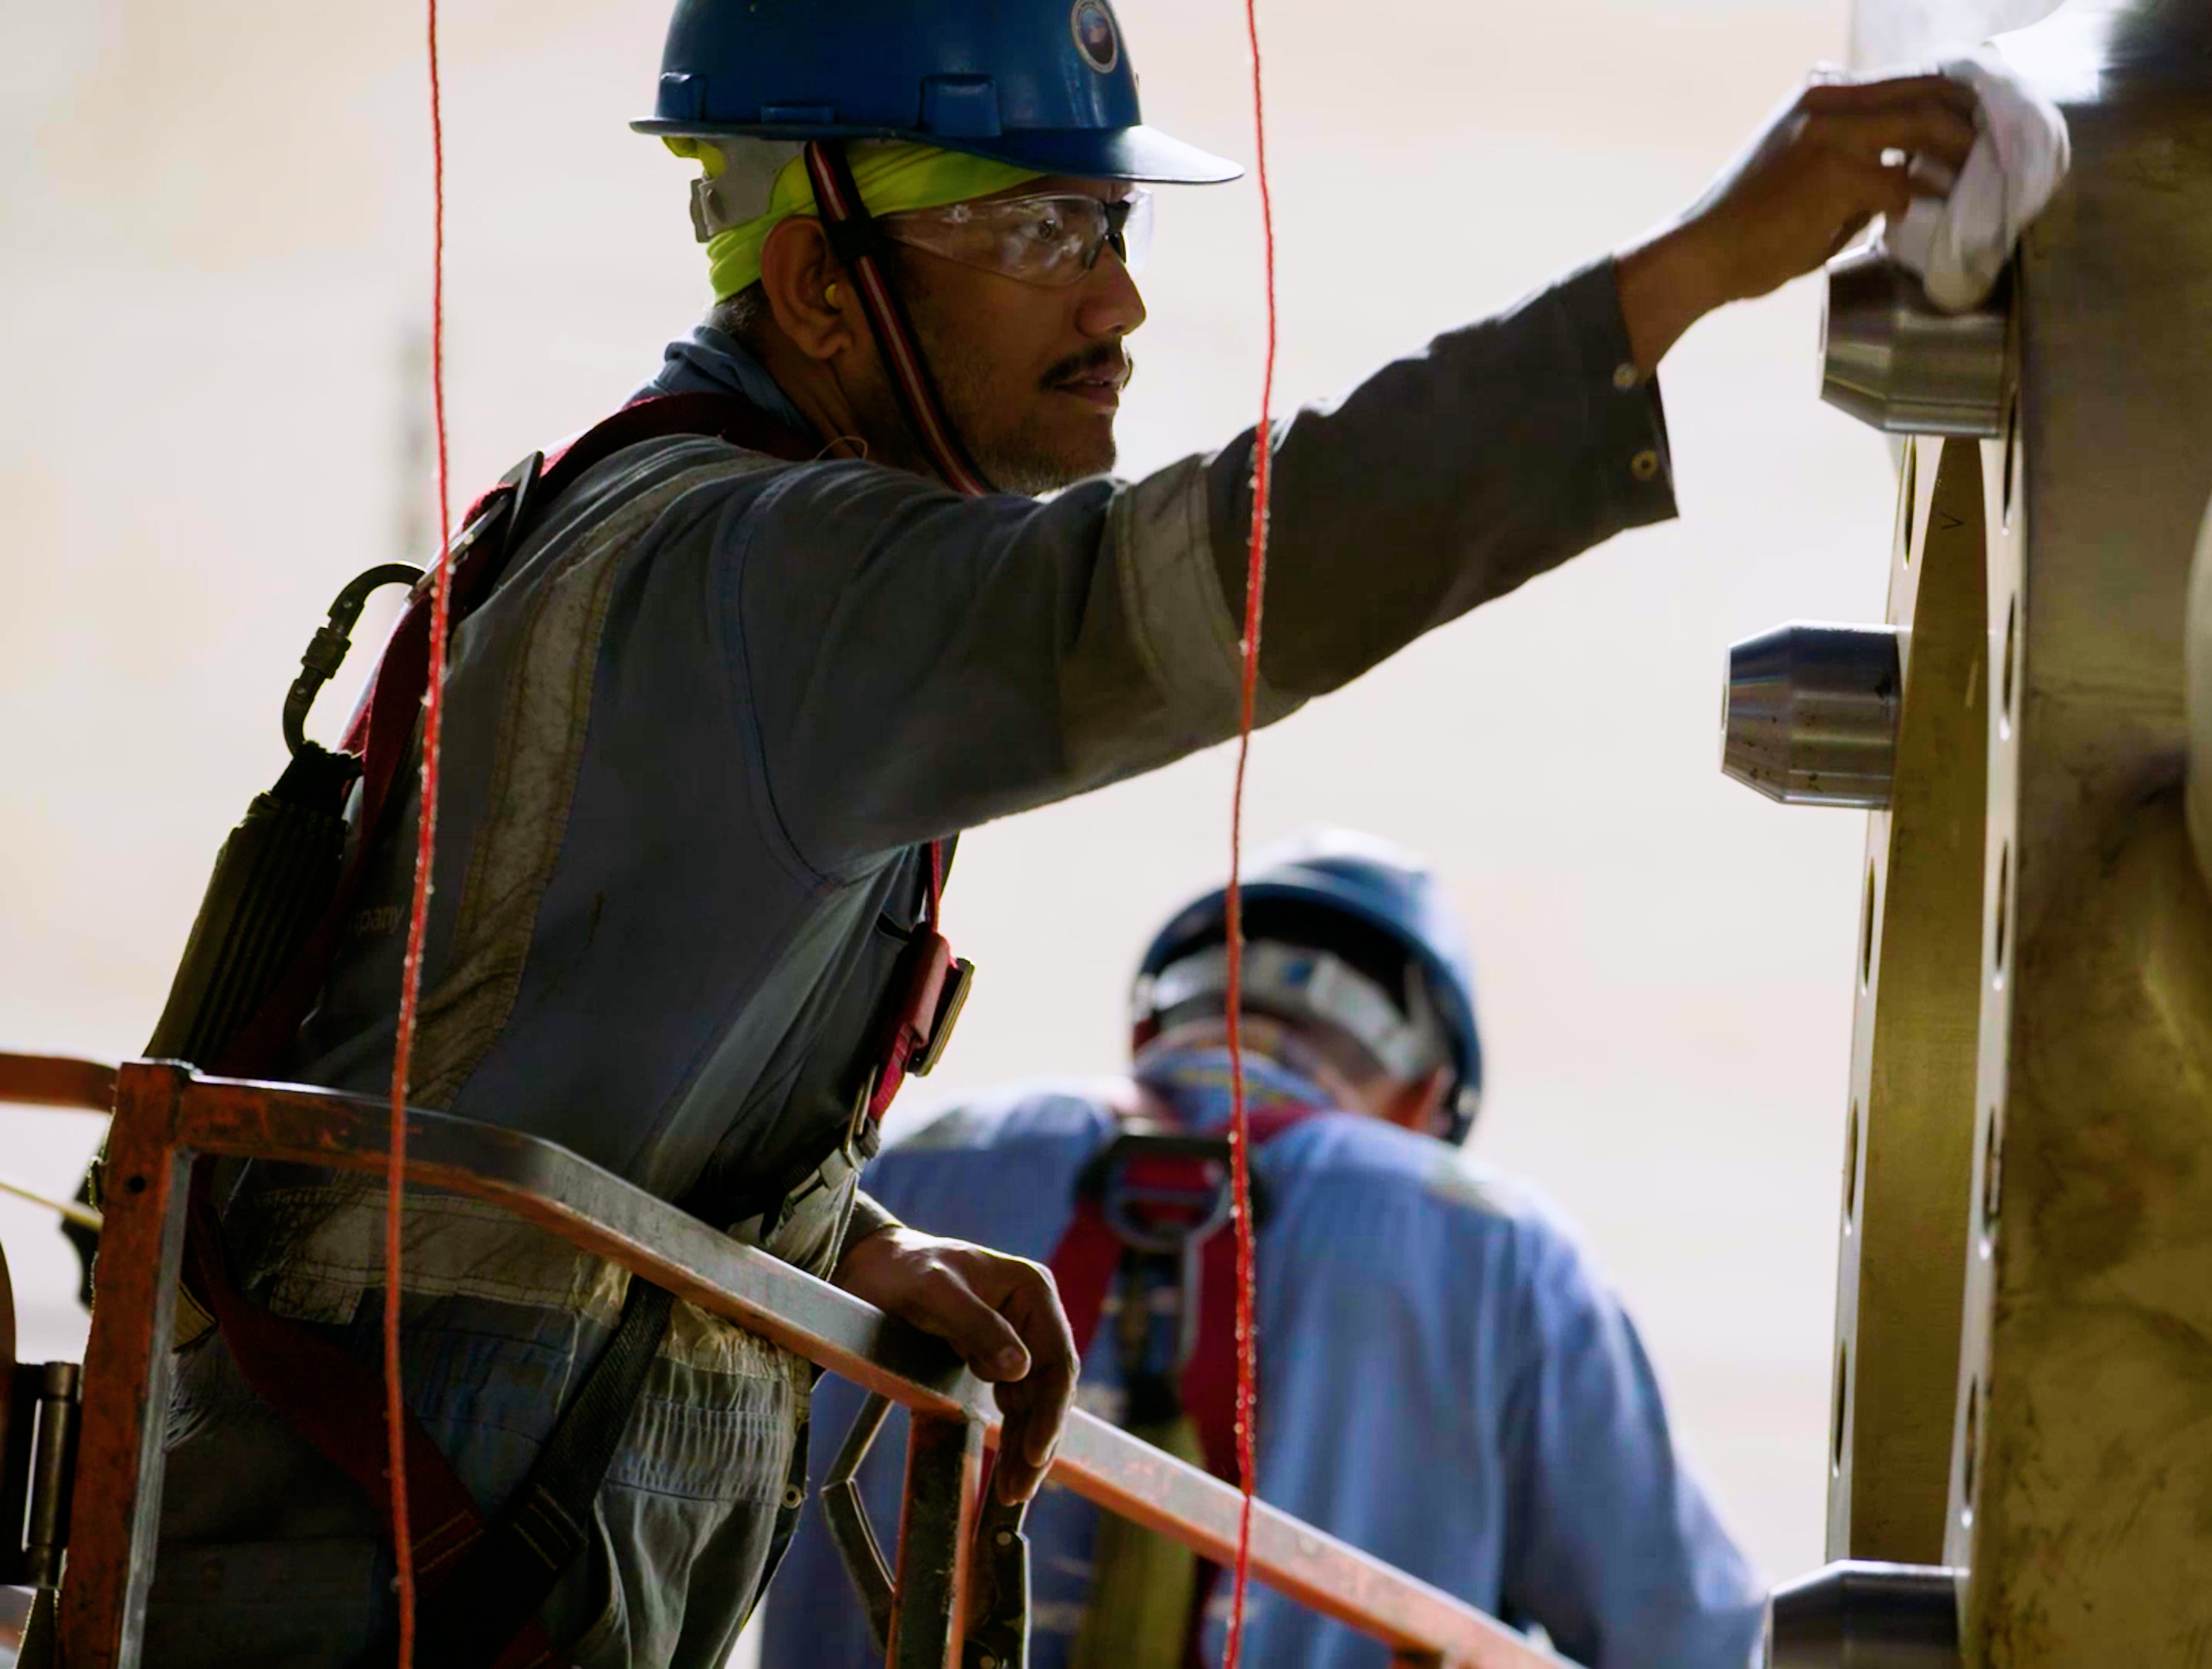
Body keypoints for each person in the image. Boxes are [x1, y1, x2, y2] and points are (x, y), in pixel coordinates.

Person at [136, 0, 1992, 1657]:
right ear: (816, 285)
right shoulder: (772, 569)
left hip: (404, 1546)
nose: (1117, 300)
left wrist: (834, 1242)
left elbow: (551, 1036)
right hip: (389, 1574)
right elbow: (1199, 586)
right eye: (1039, 229)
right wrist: (1693, 275)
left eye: (1116, 224)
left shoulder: (670, 527)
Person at [765, 831, 1765, 1668]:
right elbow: (1688, 1640)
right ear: (1425, 1100)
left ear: (1158, 1025)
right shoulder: (1500, 1250)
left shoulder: (914, 1177)